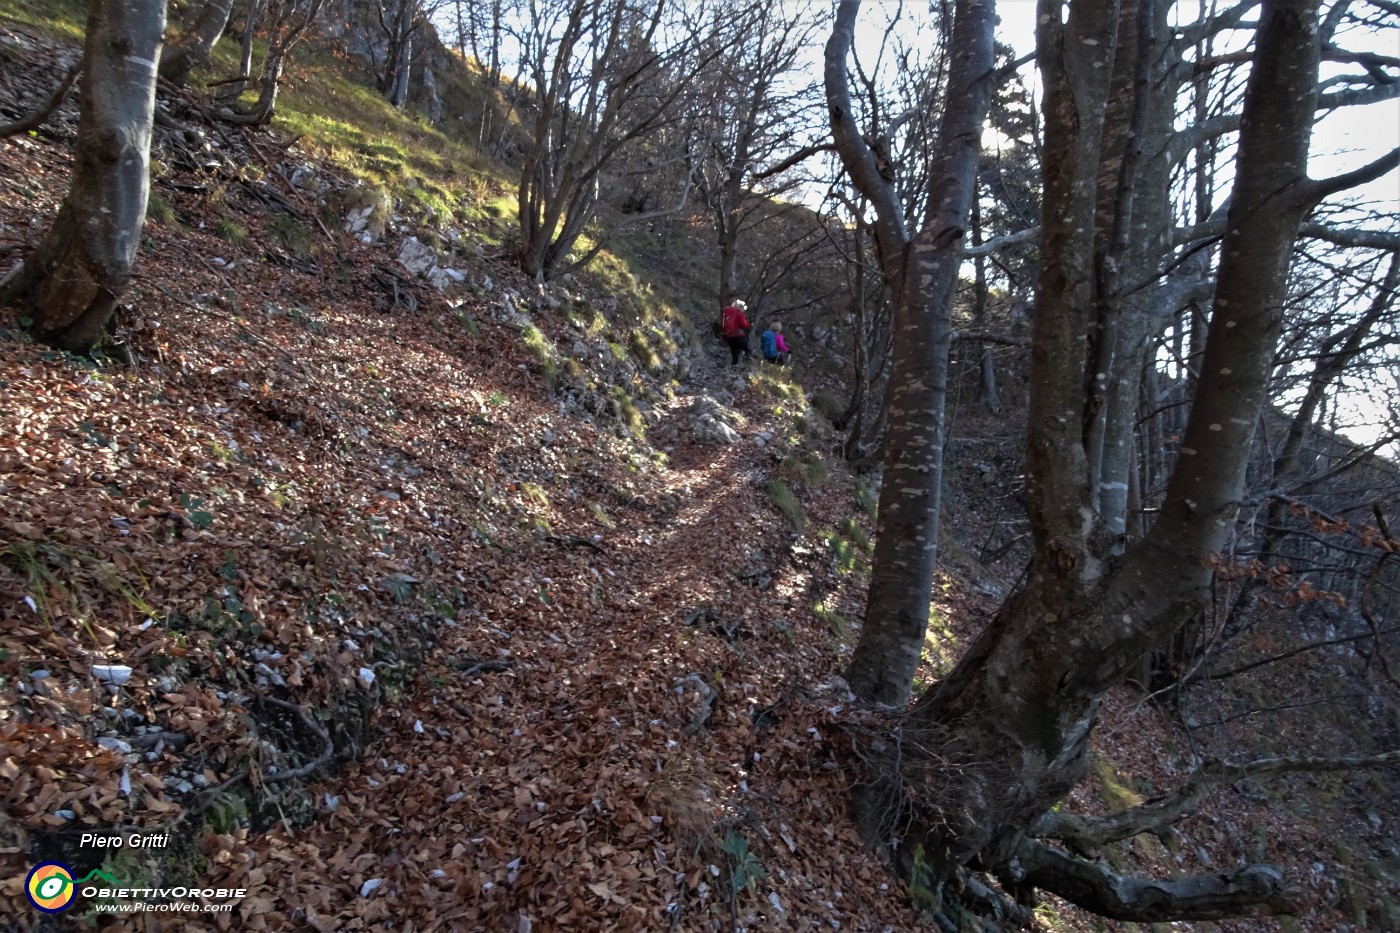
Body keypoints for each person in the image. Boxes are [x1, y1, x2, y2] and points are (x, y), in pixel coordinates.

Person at [720, 299, 751, 365]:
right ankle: (746, 364)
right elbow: (743, 325)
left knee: (735, 356)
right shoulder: (739, 313)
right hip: (739, 336)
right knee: (748, 350)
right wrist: (750, 324)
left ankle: (733, 369)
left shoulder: (728, 313)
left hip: (730, 337)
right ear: (741, 307)